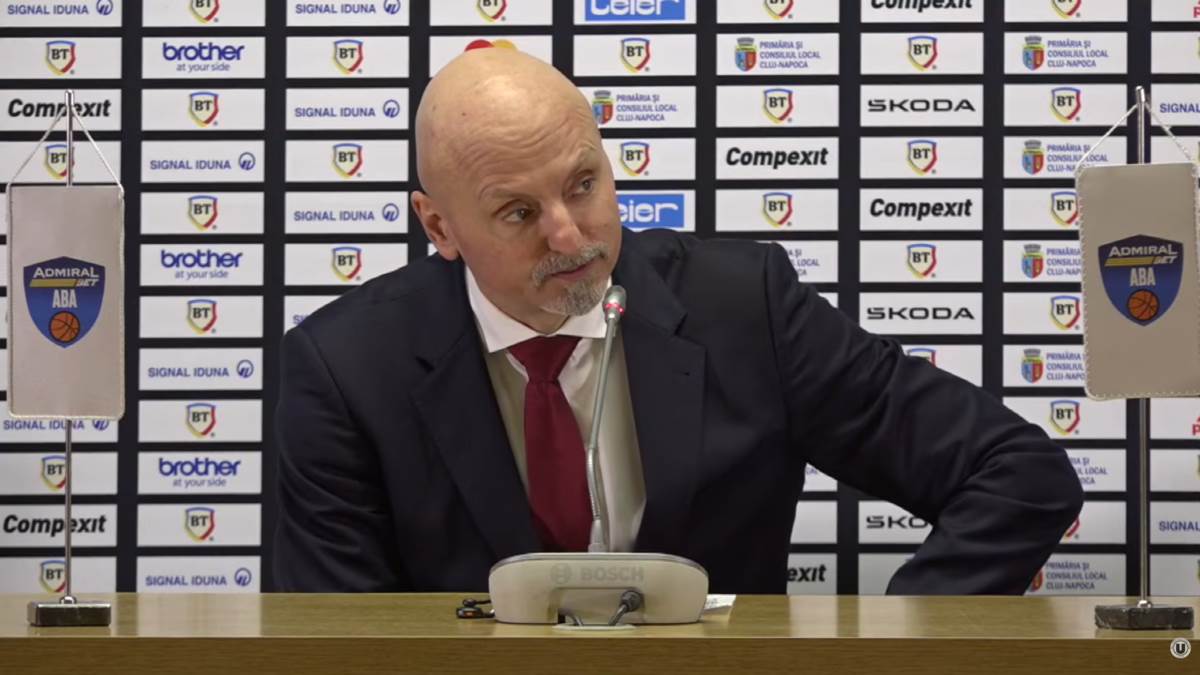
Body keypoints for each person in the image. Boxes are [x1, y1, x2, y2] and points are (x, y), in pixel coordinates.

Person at [273, 48, 1083, 594]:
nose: (571, 236)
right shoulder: (345, 370)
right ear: (439, 227)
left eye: (584, 183)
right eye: (518, 212)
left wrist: (892, 649)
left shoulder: (746, 307)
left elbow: (1017, 473)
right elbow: (333, 640)